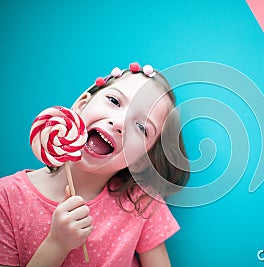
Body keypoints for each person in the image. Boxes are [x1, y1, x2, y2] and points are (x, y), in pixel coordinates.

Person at [0, 62, 190, 266]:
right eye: (114, 101)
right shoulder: (7, 197)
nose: (119, 123)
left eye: (141, 127)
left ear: (141, 159)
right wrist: (57, 244)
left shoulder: (141, 201)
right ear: (82, 104)